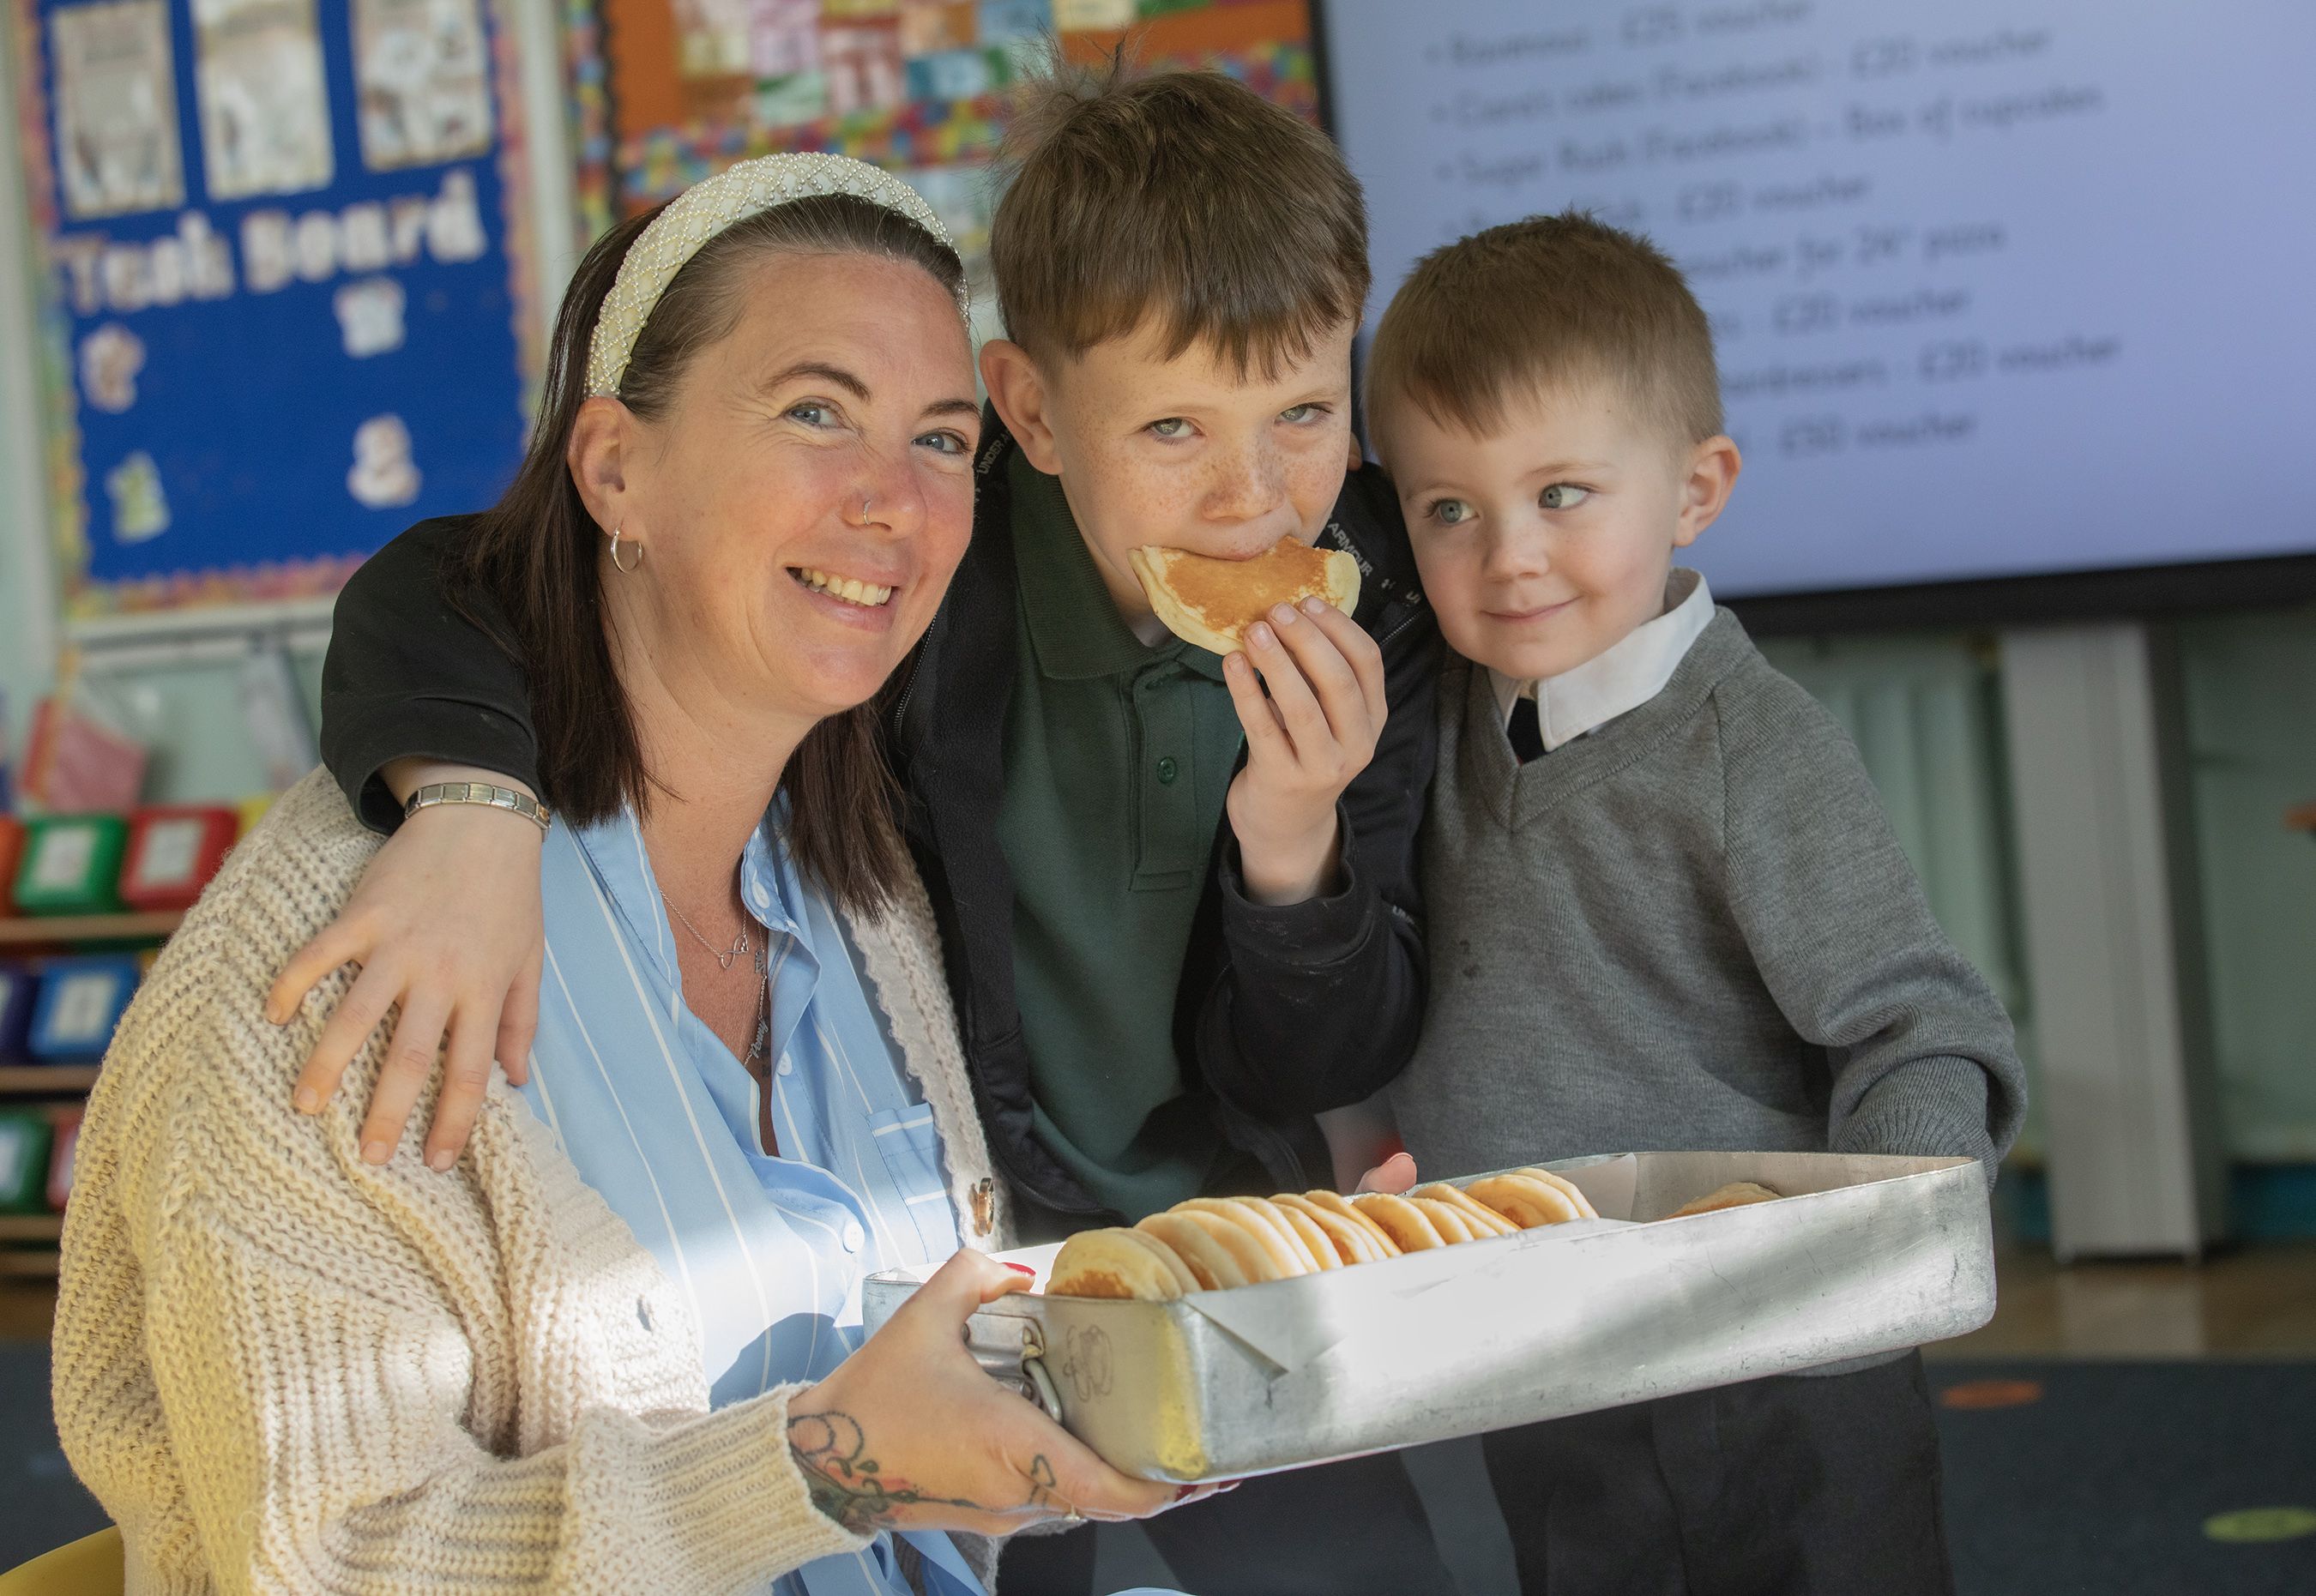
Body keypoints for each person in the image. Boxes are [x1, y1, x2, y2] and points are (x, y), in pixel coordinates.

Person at [292, 64, 1457, 1596]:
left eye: (1306, 413)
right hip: (981, 1283)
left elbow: (1321, 1056)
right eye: (1174, 426)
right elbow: (456, 581)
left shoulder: (1372, 587)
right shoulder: (922, 559)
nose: (1256, 497)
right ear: (1031, 413)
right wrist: (465, 805)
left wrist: (1294, 839)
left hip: (1234, 1253)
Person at [52, 154, 1209, 1596]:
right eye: (813, 412)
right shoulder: (349, 954)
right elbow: (338, 1562)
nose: (893, 502)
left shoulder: (863, 891)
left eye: (939, 439)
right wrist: (822, 1458)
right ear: (615, 467)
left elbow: (960, 1453)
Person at [1360, 212, 2032, 1593]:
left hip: (1778, 1369)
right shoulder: (1426, 724)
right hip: (1548, 1356)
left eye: (1562, 494)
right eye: (1450, 509)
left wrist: (1880, 1261)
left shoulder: (1752, 747)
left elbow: (1919, 1025)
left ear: (1697, 486)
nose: (1509, 557)